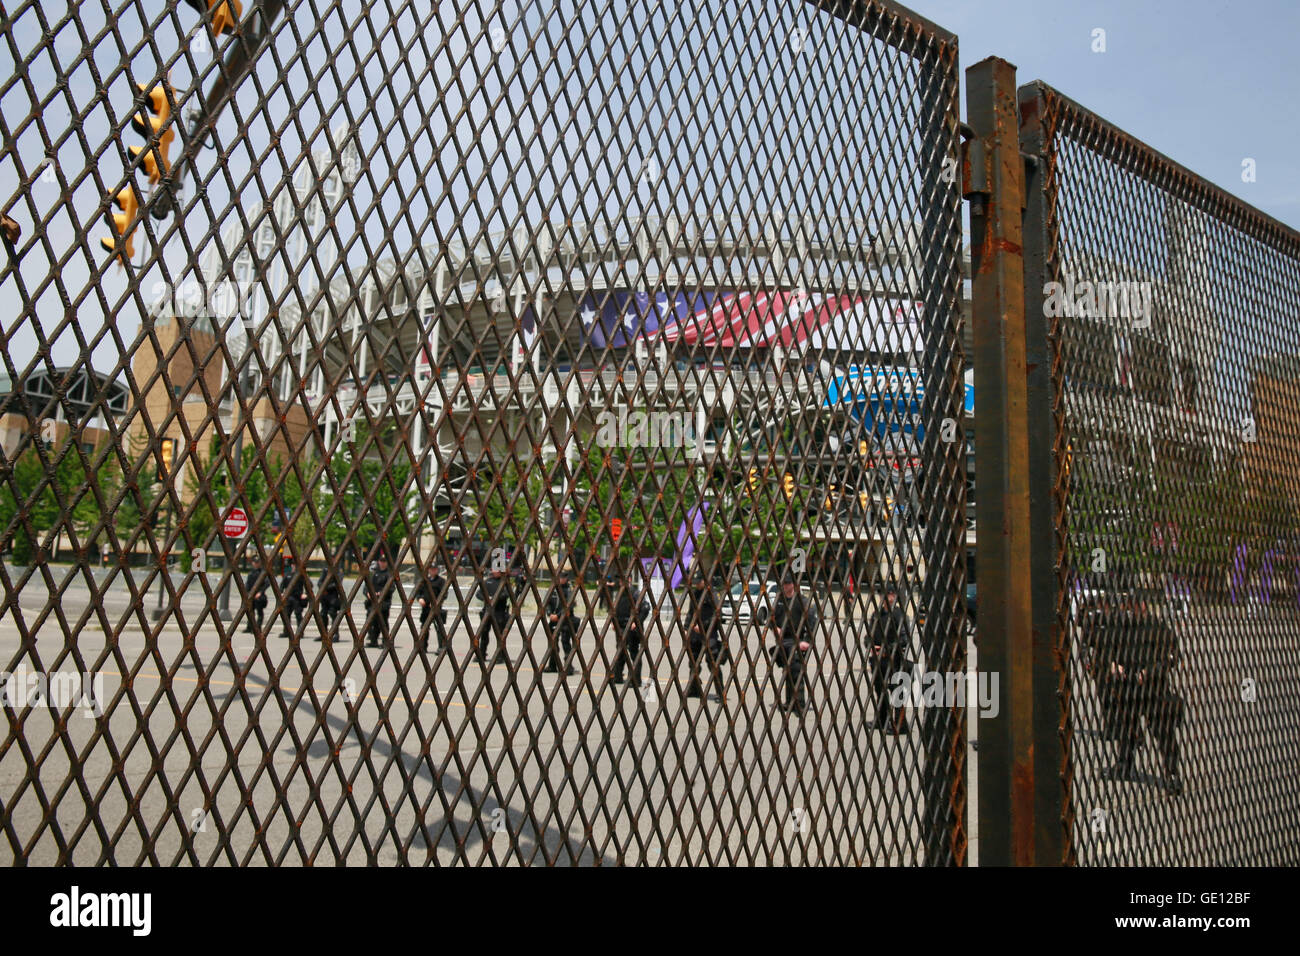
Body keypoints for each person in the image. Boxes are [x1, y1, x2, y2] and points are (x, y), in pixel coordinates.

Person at [1095, 589, 1183, 796]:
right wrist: (1113, 664)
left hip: (1154, 689)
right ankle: (1124, 764)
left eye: (1136, 605)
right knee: (1127, 729)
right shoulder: (1122, 627)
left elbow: (1172, 656)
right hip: (1128, 687)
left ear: (1144, 606)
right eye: (1129, 605)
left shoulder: (1158, 628)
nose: (1132, 609)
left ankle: (1172, 774)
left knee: (1164, 732)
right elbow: (1106, 649)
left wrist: (1150, 672)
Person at [767, 573, 817, 716]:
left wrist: (806, 641)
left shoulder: (802, 601)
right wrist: (774, 627)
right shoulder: (780, 601)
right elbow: (771, 619)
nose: (785, 586)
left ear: (794, 585)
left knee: (797, 672)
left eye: (787, 584)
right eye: (784, 584)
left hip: (797, 639)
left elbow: (811, 623)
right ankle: (789, 702)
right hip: (784, 641)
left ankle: (799, 704)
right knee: (787, 672)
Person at [868, 583, 912, 734]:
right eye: (883, 595)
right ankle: (882, 720)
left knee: (897, 692)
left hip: (894, 660)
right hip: (878, 660)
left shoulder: (900, 615)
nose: (886, 597)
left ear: (894, 596)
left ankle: (900, 724)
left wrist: (886, 650)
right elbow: (869, 636)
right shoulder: (876, 615)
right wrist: (872, 646)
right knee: (880, 690)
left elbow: (904, 639)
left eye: (889, 594)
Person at [605, 569, 650, 685]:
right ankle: (618, 676)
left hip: (631, 628)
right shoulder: (620, 593)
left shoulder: (635, 593)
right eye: (619, 580)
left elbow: (645, 608)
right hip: (620, 626)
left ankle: (635, 679)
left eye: (622, 580)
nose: (620, 582)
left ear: (629, 580)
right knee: (620, 652)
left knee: (634, 653)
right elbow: (615, 610)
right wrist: (613, 622)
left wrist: (637, 622)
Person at [685, 569, 724, 699]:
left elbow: (717, 615)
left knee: (712, 661)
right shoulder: (695, 593)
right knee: (693, 661)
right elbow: (691, 612)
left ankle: (720, 692)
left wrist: (703, 626)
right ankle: (694, 688)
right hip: (695, 633)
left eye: (698, 582)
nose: (696, 584)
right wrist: (686, 627)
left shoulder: (712, 594)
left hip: (709, 633)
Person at [540, 568, 578, 675]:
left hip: (565, 620)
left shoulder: (569, 590)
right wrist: (549, 613)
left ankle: (568, 667)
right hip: (553, 620)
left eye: (563, 577)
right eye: (560, 577)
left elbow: (569, 605)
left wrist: (558, 615)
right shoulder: (553, 589)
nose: (561, 579)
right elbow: (546, 602)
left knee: (566, 643)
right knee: (553, 644)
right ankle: (552, 665)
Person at [475, 567, 514, 666]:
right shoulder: (488, 581)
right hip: (487, 611)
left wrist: (495, 598)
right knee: (483, 633)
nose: (494, 571)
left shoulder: (505, 582)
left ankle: (500, 656)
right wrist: (487, 598)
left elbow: (506, 594)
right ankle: (482, 654)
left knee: (500, 635)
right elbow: (478, 593)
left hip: (499, 611)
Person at [364, 551, 395, 648]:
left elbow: (391, 588)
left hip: (384, 602)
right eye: (381, 561)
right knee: (373, 621)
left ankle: (385, 641)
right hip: (373, 602)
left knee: (383, 622)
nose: (382, 563)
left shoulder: (389, 574)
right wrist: (368, 593)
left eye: (384, 561)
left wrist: (382, 593)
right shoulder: (374, 574)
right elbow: (366, 587)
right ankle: (373, 640)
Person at [416, 559, 449, 652]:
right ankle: (423, 646)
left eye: (434, 569)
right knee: (424, 628)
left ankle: (441, 647)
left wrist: (437, 602)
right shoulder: (424, 580)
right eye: (431, 569)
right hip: (425, 608)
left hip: (436, 608)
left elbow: (444, 594)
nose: (432, 571)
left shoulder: (441, 581)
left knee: (439, 628)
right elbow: (419, 592)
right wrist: (420, 599)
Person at [277, 557, 306, 639]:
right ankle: (286, 631)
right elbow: (282, 585)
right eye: (293, 564)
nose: (294, 566)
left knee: (298, 615)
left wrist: (305, 594)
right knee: (286, 615)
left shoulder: (301, 575)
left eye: (295, 565)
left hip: (297, 598)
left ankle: (300, 633)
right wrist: (281, 593)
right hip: (289, 597)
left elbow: (309, 585)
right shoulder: (288, 575)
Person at [316, 562, 345, 639]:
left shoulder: (338, 571)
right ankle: (324, 634)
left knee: (333, 614)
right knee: (323, 614)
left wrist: (325, 588)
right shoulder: (326, 570)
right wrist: (322, 588)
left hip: (333, 596)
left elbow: (337, 583)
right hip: (325, 596)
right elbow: (319, 582)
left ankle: (335, 634)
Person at [244, 565, 268, 635]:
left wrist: (261, 592)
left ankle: (258, 628)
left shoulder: (262, 573)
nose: (255, 564)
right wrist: (247, 592)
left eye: (257, 562)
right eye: (255, 562)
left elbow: (267, 583)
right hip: (251, 595)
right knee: (250, 612)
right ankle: (249, 627)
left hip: (259, 596)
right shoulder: (251, 573)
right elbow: (247, 583)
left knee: (259, 612)